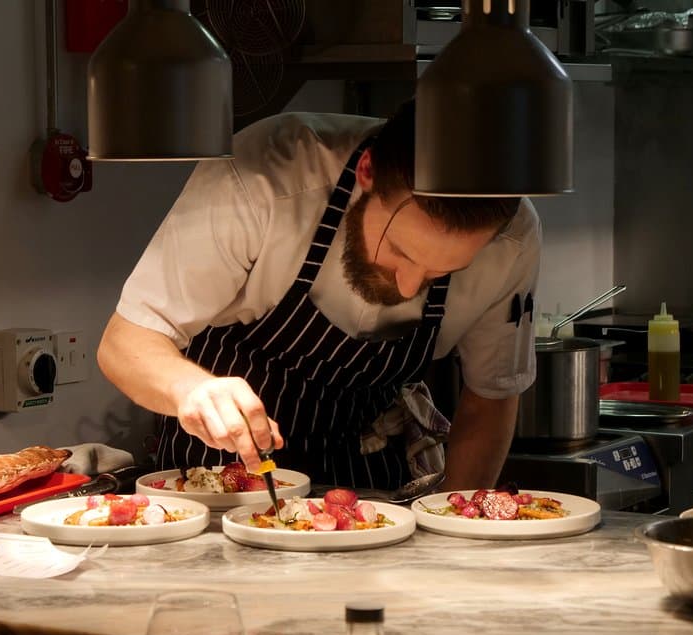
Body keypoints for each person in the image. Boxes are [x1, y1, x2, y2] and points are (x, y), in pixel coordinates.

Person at [97, 99, 541, 492]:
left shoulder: (512, 241)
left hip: (368, 480)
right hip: (220, 477)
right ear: (367, 171)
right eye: (399, 252)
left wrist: (456, 529)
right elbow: (124, 343)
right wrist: (190, 389)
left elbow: (491, 396)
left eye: (443, 272)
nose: (408, 288)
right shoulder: (267, 173)